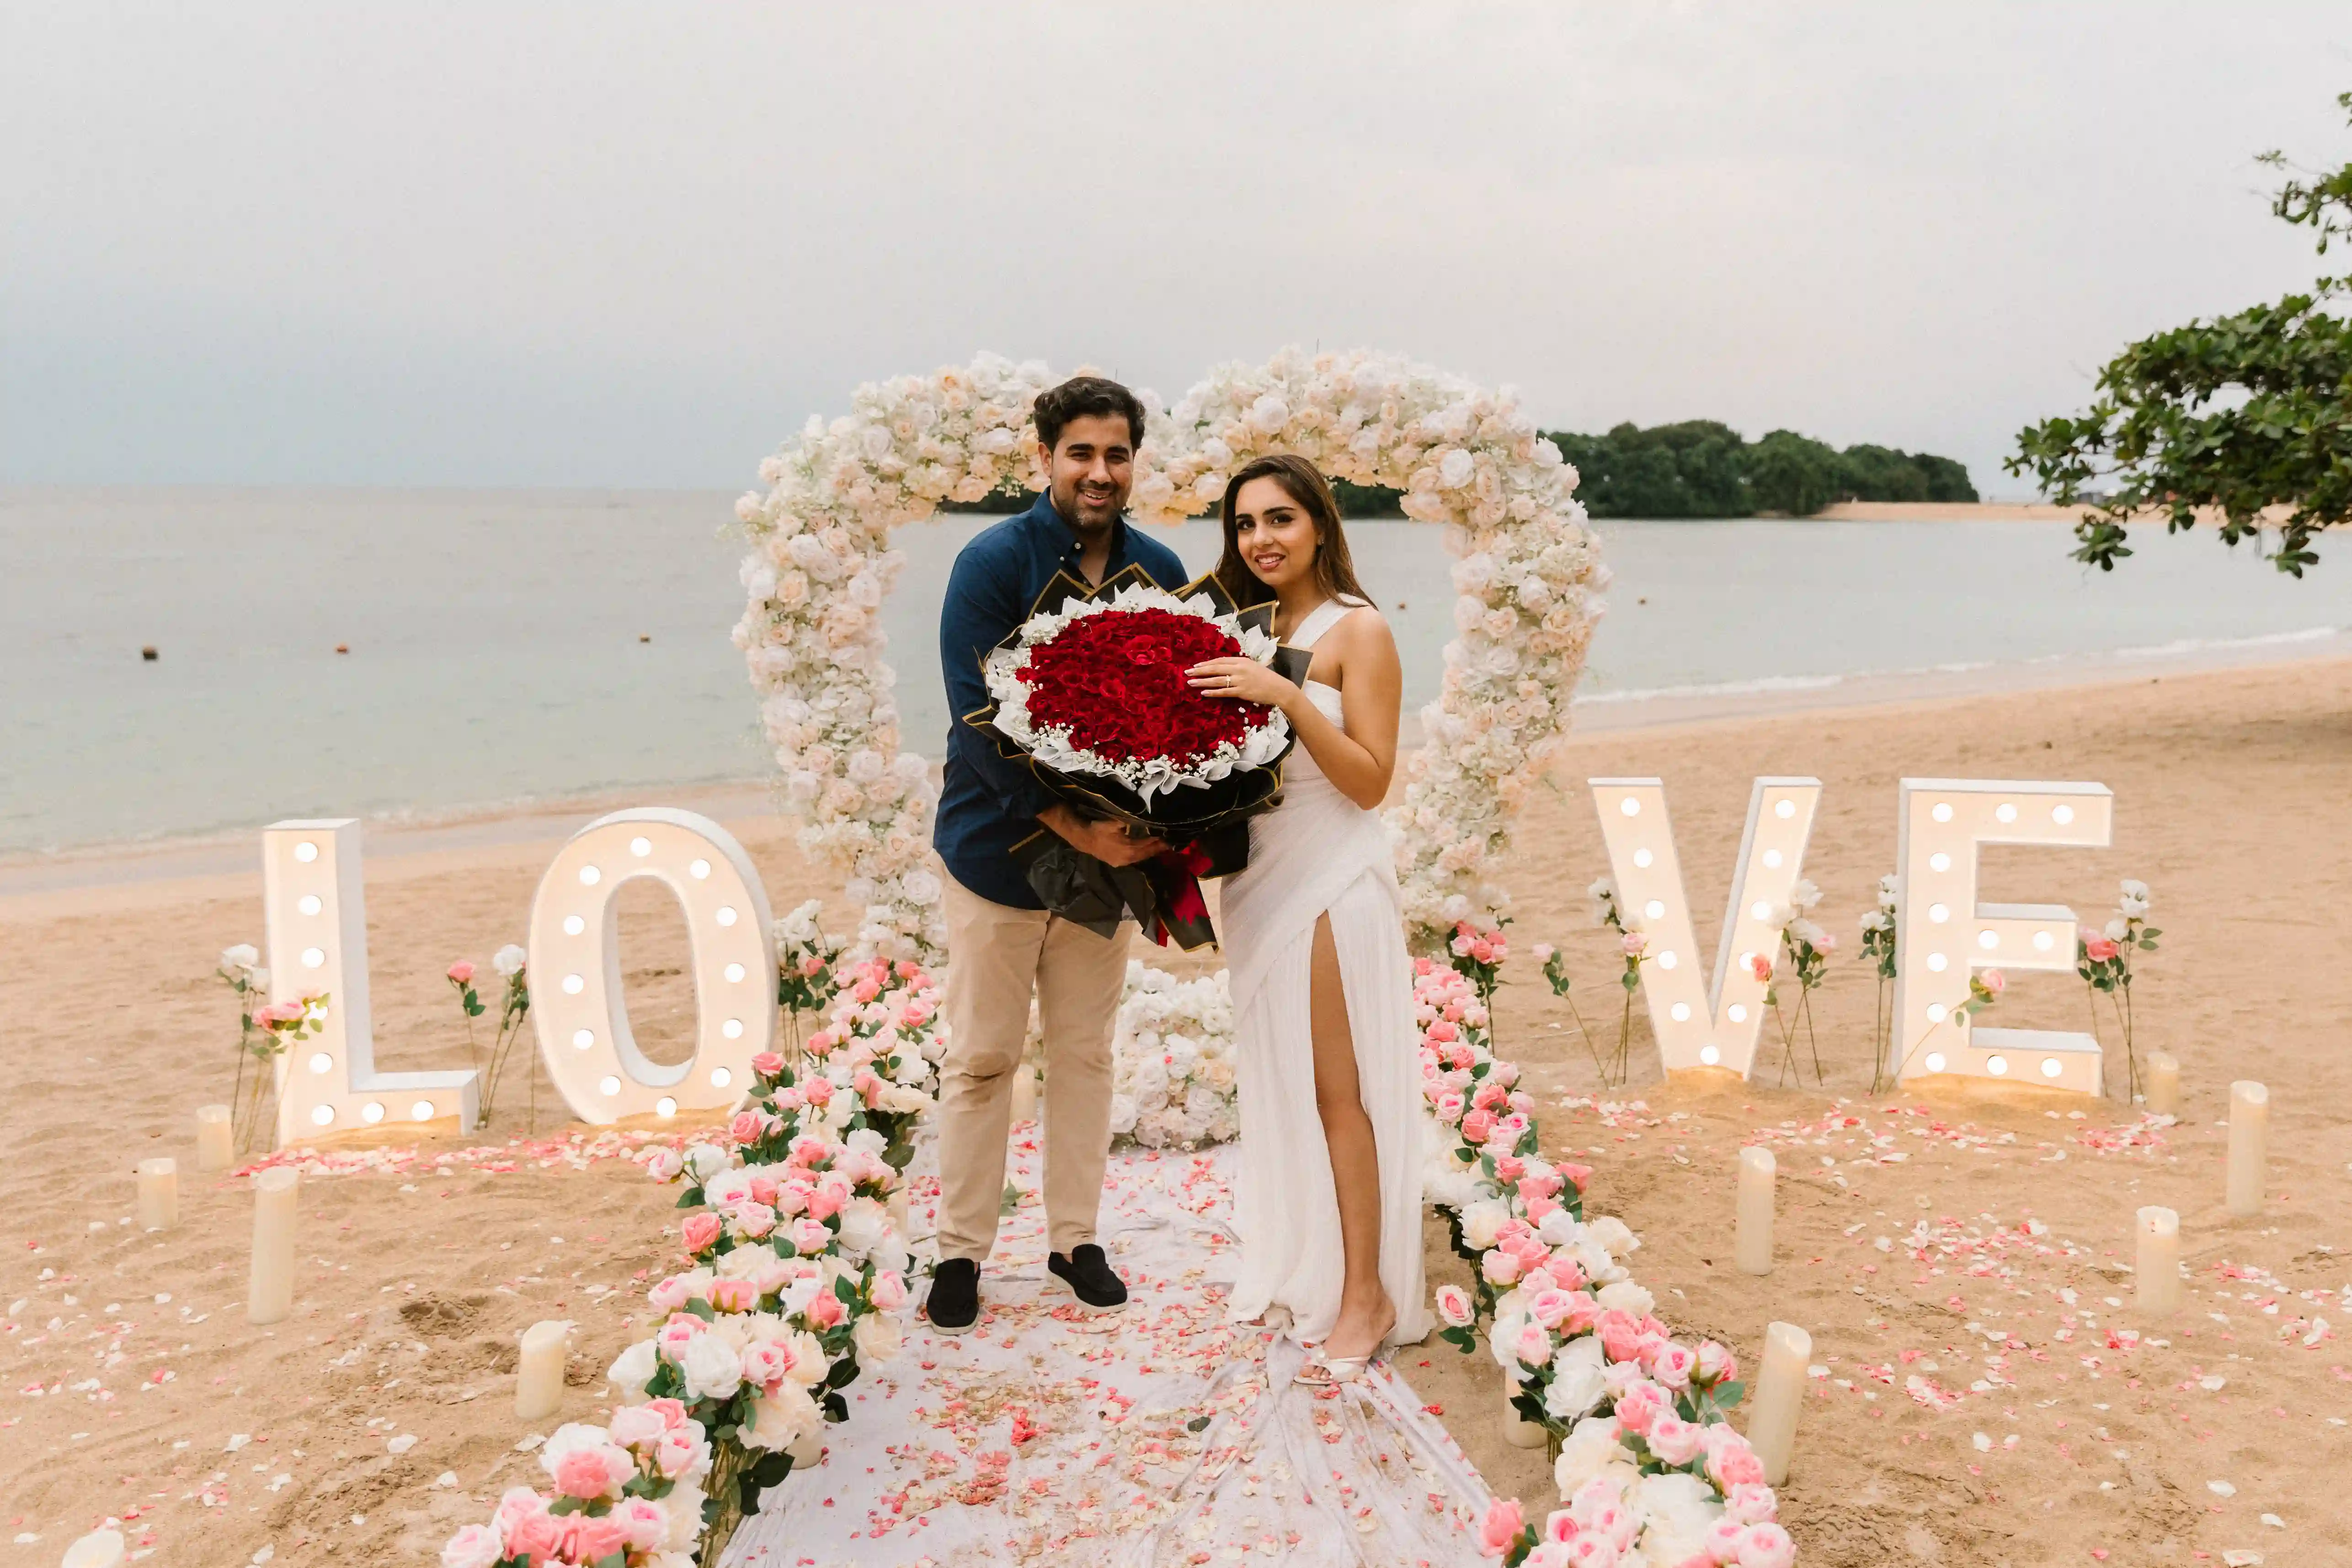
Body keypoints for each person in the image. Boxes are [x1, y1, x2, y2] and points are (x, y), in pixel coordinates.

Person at [927, 374, 1189, 1333]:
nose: (1099, 471)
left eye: (1116, 454)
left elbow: (1175, 715)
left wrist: (1165, 818)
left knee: (1084, 1053)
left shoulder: (1156, 568)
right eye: (1080, 452)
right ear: (1044, 458)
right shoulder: (990, 561)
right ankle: (960, 1250)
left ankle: (1075, 1239)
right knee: (985, 1057)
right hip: (995, 853)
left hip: (1107, 865)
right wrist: (1070, 821)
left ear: (1133, 462)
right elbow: (974, 716)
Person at [1184, 453, 1430, 1383]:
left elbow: (1370, 781)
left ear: (1320, 525)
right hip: (1254, 880)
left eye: (1280, 518)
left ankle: (1366, 1291)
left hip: (1328, 877)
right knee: (1283, 1082)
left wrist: (1287, 695)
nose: (1262, 539)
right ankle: (1314, 1261)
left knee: (1338, 1092)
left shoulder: (1355, 631)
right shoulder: (1238, 626)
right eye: (1246, 524)